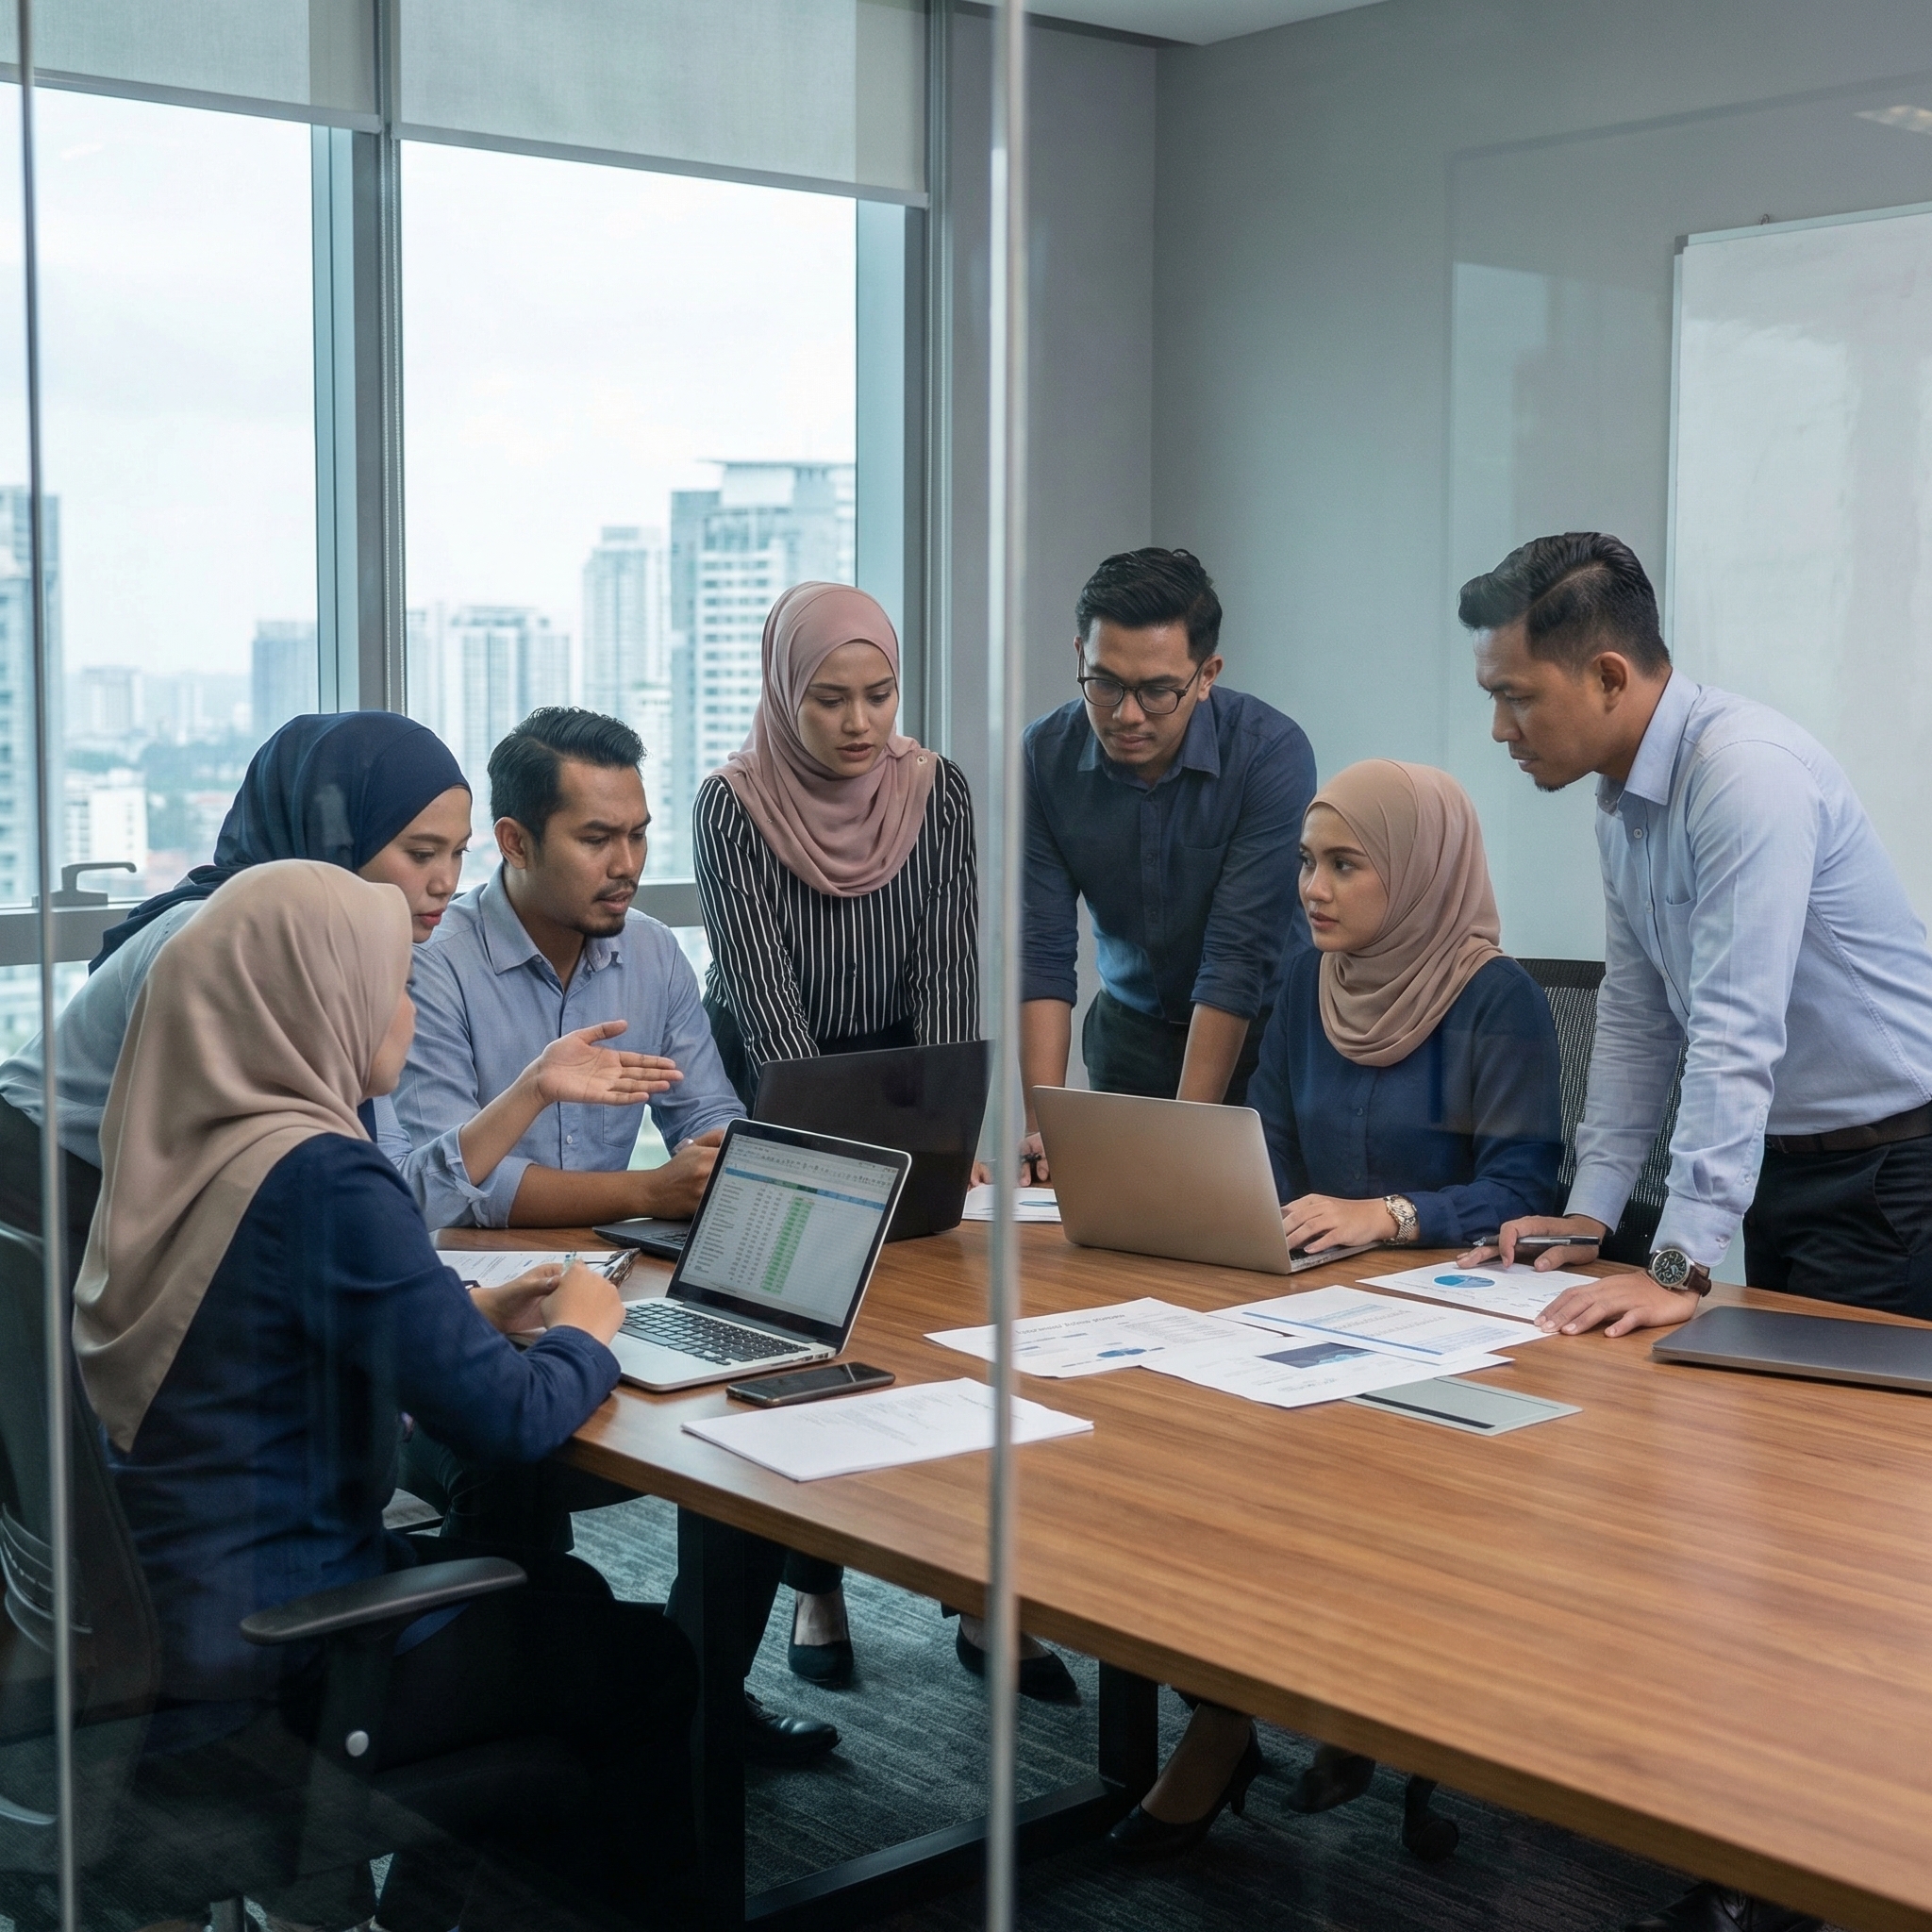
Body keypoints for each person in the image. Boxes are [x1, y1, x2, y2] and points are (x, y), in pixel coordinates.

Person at [80, 860, 697, 1932]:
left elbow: (270, 1342)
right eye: (391, 983)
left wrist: (469, 1321)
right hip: (279, 1655)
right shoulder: (320, 1172)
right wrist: (587, 1328)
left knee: (567, 1597)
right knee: (647, 1664)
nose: (407, 1008)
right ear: (318, 997)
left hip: (161, 1628)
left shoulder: (185, 1139)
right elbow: (508, 1423)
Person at [1462, 531, 1932, 1932]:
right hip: (1783, 1172)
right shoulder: (1625, 801)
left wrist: (1679, 1263)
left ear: (1609, 675)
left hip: (1890, 1172)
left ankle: (1841, 1868)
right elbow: (1639, 1016)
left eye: (1516, 697)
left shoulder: (1747, 776)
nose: (1499, 730)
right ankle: (1753, 1845)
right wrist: (1597, 1211)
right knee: (1752, 1526)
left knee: (1843, 1549)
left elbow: (1736, 1030)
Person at [1108, 759, 1561, 1864]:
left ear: (1416, 870)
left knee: (1305, 1483)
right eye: (1307, 862)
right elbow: (1264, 1146)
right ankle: (1233, 1702)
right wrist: (1218, 1206)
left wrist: (1391, 1213)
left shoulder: (1490, 997)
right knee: (1174, 1458)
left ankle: (1256, 1717)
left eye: (1345, 864)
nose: (1312, 888)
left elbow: (1522, 1189)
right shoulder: (1306, 985)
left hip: (1455, 1329)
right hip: (1307, 1308)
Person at [394, 706, 836, 1767]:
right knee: (509, 1461)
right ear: (514, 841)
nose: (627, 863)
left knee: (755, 1428)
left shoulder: (651, 955)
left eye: (637, 833)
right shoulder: (434, 964)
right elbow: (457, 1187)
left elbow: (708, 1113)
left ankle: (695, 1705)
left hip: (613, 1291)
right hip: (471, 1324)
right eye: (597, 838)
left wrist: (726, 1160)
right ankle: (507, 1738)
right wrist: (651, 1185)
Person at [0, 712, 664, 1268]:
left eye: (457, 853)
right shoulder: (240, 943)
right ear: (334, 842)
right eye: (419, 853)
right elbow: (309, 1211)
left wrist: (533, 1088)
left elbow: (393, 1189)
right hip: (40, 1202)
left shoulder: (335, 951)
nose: (444, 882)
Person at [693, 581, 977, 1690]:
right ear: (782, 693)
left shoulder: (936, 790)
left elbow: (949, 967)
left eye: (879, 693)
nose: (860, 723)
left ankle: (976, 1578)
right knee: (812, 1327)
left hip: (907, 1066)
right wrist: (821, 1158)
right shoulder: (732, 803)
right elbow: (765, 1002)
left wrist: (948, 1131)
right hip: (781, 1075)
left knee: (941, 1308)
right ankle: (815, 1580)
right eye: (829, 699)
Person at [1018, 546, 1316, 1177]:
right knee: (1107, 1220)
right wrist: (1041, 1126)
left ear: (1206, 675)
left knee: (1227, 1214)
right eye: (1104, 683)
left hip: (1260, 1039)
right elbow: (1041, 950)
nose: (1127, 715)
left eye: (1157, 691)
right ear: (1080, 656)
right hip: (1128, 1035)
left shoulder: (1269, 753)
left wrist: (1185, 1142)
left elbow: (1236, 959)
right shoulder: (1044, 755)